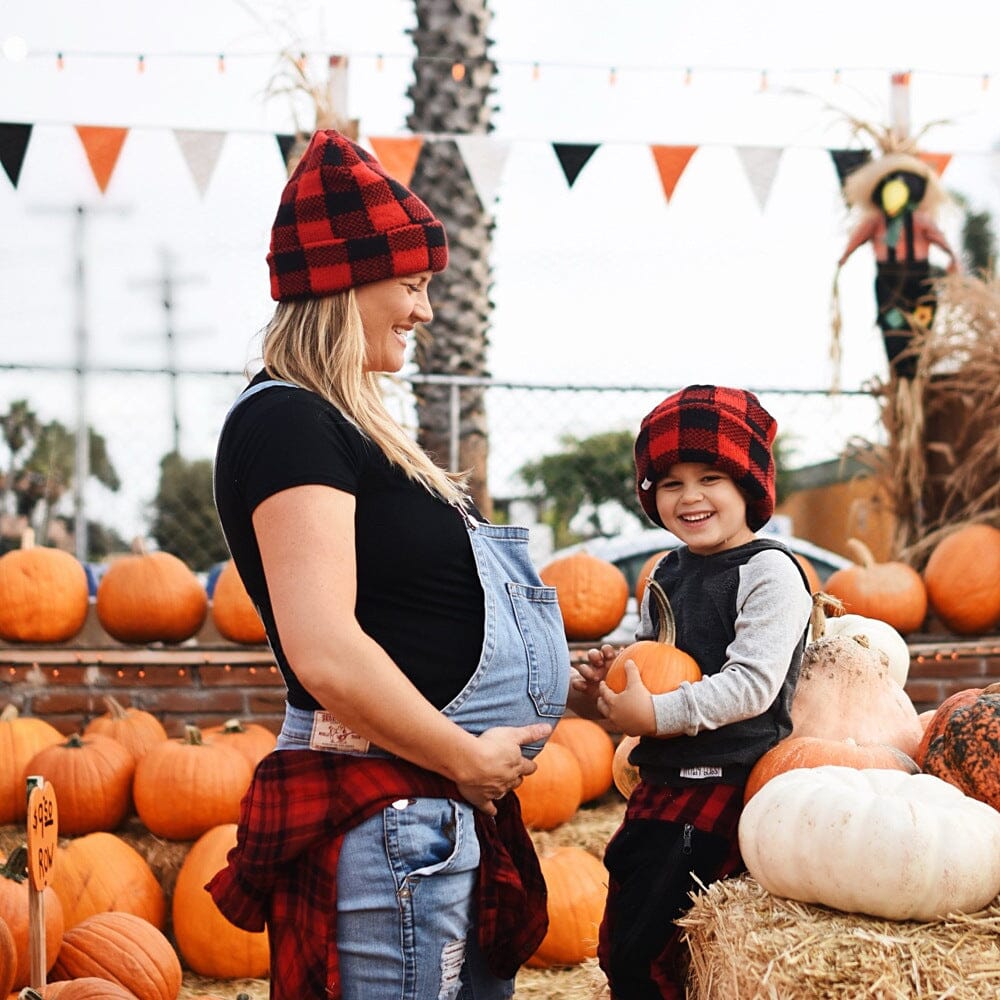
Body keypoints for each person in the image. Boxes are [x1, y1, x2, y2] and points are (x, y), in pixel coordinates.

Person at [206, 128, 575, 1000]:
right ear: (342, 284)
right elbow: (325, 648)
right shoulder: (287, 422)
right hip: (391, 810)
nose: (425, 309)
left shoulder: (347, 421)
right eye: (410, 285)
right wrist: (462, 756)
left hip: (425, 806)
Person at [572, 385, 813, 1000]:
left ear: (749, 490)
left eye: (711, 478)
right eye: (670, 483)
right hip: (661, 782)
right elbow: (650, 659)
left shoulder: (770, 572)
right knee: (623, 922)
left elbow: (753, 685)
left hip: (724, 781)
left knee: (653, 943)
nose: (691, 497)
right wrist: (609, 680)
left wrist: (654, 710)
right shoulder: (667, 571)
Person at [837, 152, 961, 379]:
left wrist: (953, 258)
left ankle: (916, 362)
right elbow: (857, 239)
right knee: (892, 322)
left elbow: (941, 240)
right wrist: (843, 258)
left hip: (918, 278)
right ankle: (900, 366)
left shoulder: (920, 220)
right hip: (888, 280)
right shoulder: (875, 222)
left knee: (920, 320)